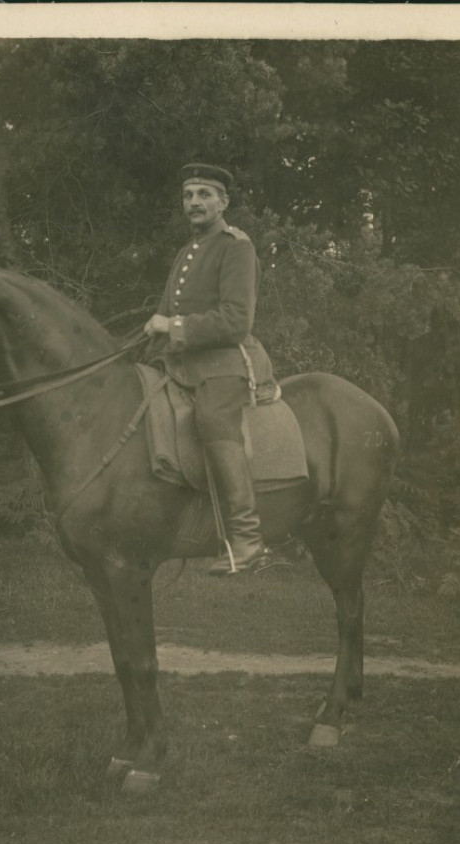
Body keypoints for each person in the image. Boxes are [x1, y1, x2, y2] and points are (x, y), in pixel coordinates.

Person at [144, 163, 275, 575]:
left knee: (213, 418)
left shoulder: (236, 246)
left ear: (224, 202)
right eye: (188, 195)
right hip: (181, 363)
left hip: (225, 362)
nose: (194, 202)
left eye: (204, 194)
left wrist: (174, 326)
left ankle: (248, 539)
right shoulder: (186, 252)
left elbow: (237, 320)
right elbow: (165, 315)